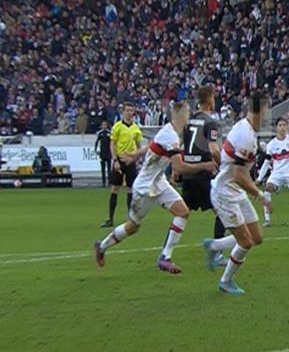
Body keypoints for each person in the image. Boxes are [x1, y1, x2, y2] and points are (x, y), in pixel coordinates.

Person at [93, 102, 217, 274]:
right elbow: (180, 167)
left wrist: (135, 155)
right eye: (188, 114)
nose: (189, 117)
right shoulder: (170, 136)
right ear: (181, 116)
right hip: (145, 187)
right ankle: (102, 246)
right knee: (133, 226)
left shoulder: (170, 132)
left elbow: (152, 145)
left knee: (183, 212)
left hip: (159, 182)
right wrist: (205, 166)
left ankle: (165, 256)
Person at [201, 91, 272, 294]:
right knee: (245, 242)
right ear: (261, 110)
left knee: (256, 237)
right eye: (267, 109)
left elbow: (239, 172)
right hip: (225, 193)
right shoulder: (245, 135)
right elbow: (238, 174)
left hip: (235, 190)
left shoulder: (247, 129)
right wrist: (260, 195)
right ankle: (225, 281)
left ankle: (214, 246)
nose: (268, 114)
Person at [179, 85, 228, 263]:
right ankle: (216, 254)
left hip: (188, 174)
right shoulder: (210, 122)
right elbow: (213, 149)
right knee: (222, 212)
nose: (215, 101)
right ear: (208, 99)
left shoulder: (189, 121)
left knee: (181, 214)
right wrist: (222, 165)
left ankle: (165, 253)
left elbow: (182, 147)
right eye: (213, 97)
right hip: (203, 175)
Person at [101, 103, 143, 228]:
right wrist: (115, 160)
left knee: (130, 189)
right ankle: (110, 218)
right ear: (123, 112)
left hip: (130, 160)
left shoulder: (136, 128)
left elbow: (139, 146)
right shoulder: (117, 126)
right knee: (115, 189)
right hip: (119, 159)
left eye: (131, 110)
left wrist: (137, 159)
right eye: (127, 110)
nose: (129, 113)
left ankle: (130, 218)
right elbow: (112, 144)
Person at [94, 121, 112, 187]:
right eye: (103, 125)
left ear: (107, 126)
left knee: (109, 169)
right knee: (103, 168)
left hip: (108, 153)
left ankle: (109, 182)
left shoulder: (109, 133)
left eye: (105, 125)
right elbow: (97, 142)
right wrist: (96, 149)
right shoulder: (100, 133)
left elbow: (112, 142)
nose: (104, 126)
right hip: (102, 153)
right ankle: (103, 182)